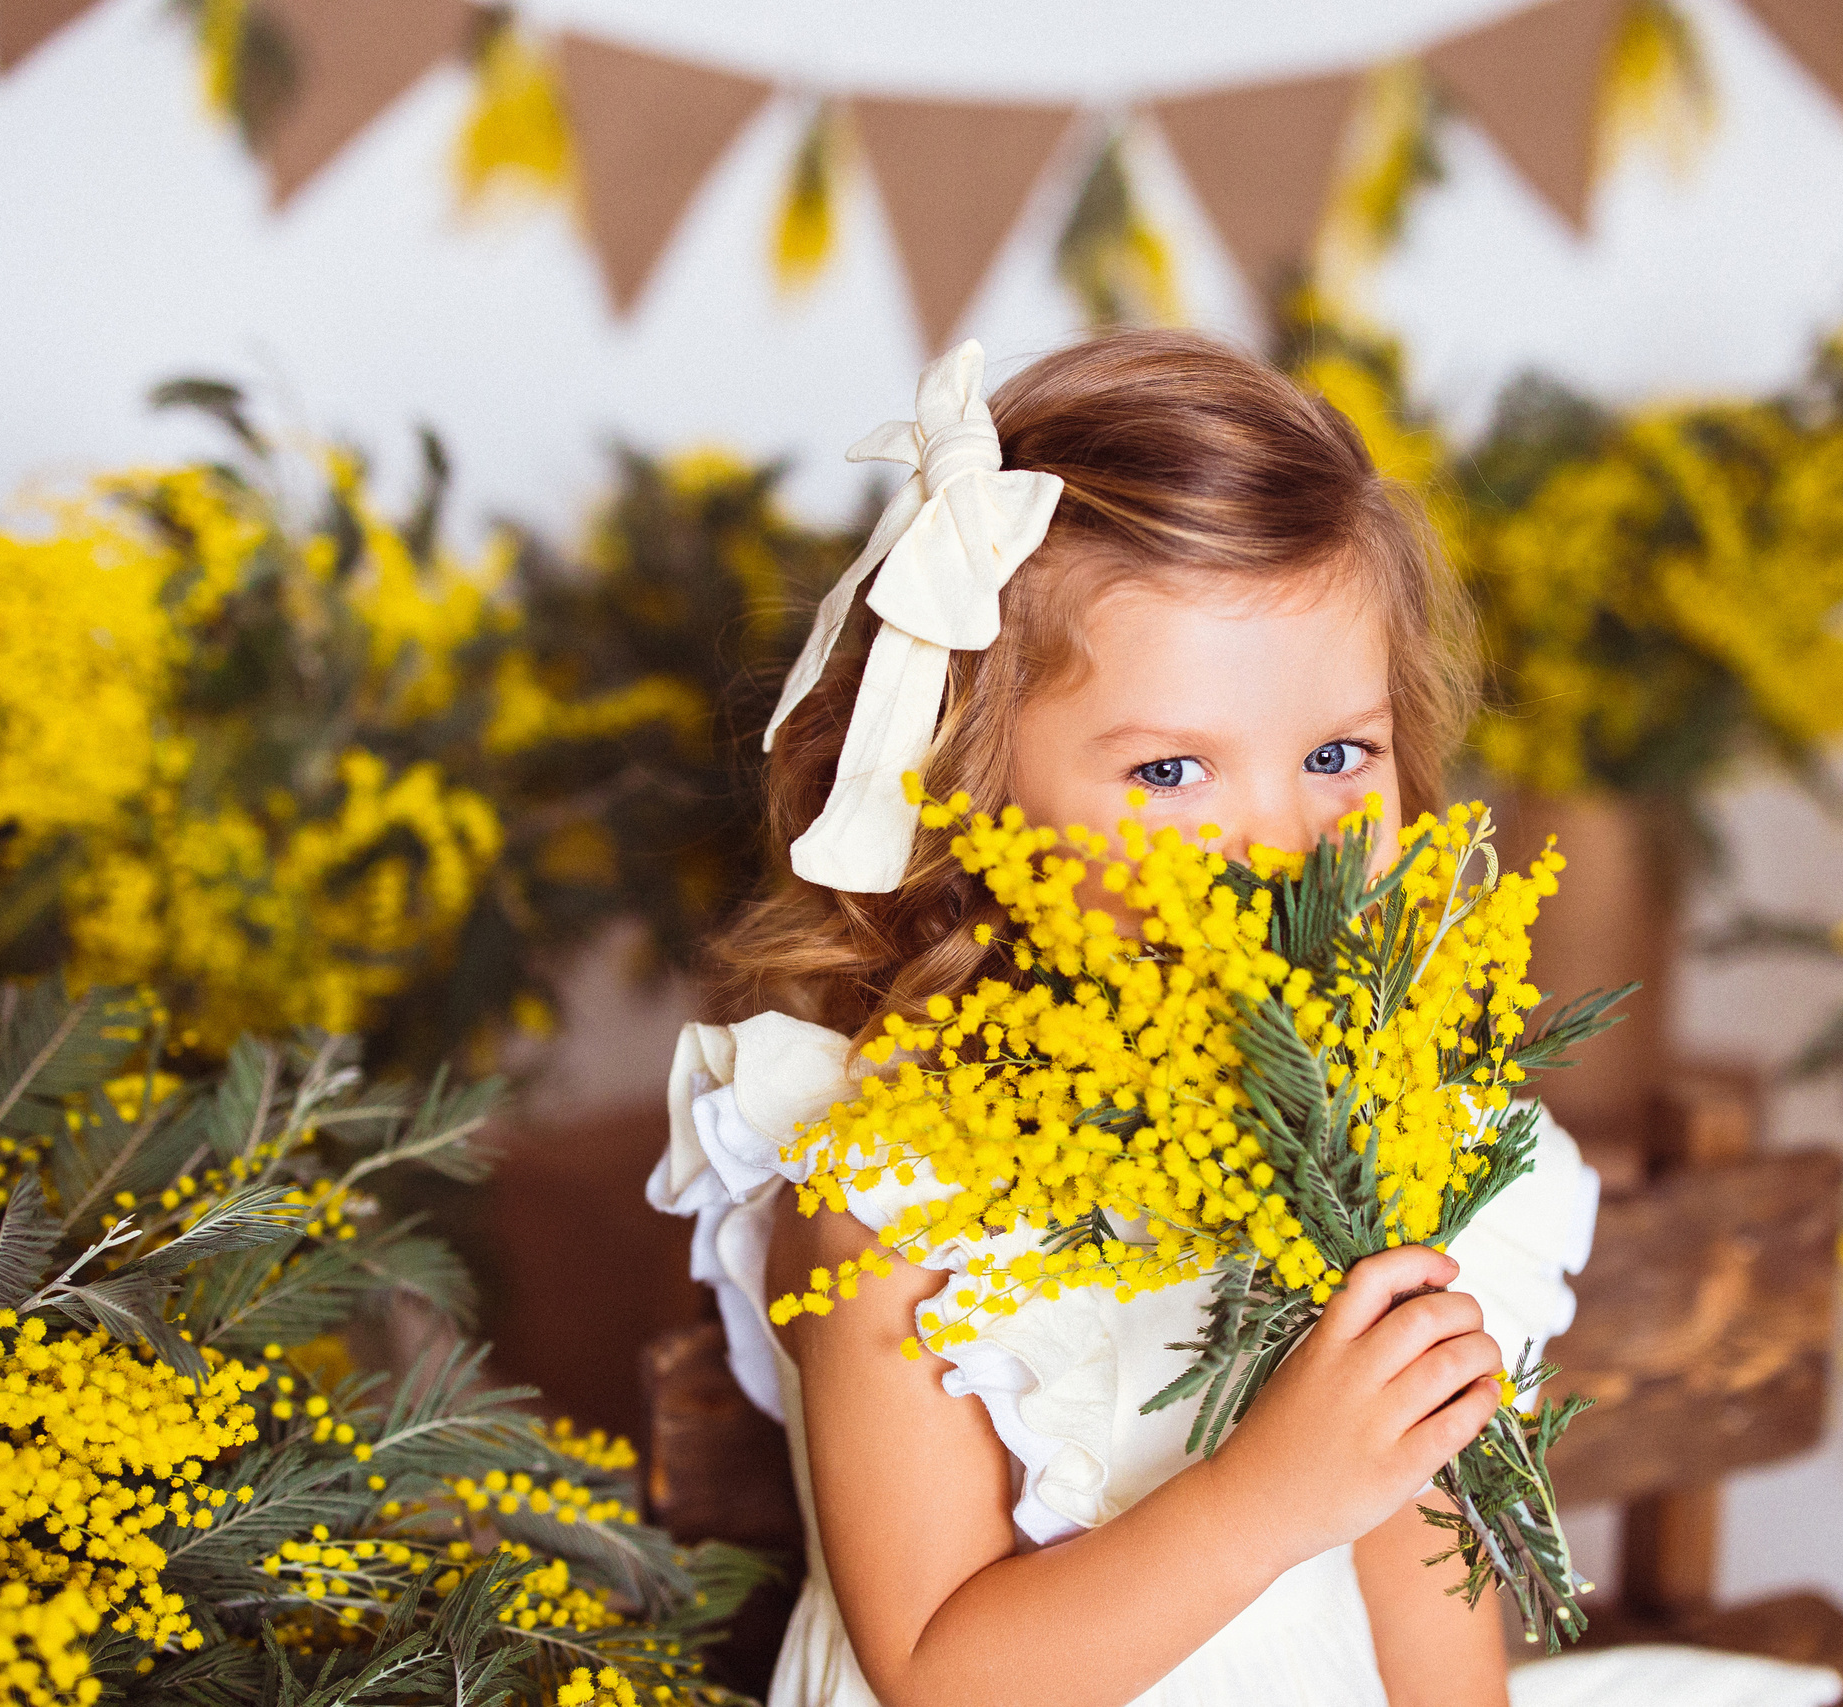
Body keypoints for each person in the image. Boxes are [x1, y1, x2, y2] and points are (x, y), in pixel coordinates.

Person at [649, 331, 1599, 1707]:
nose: (1279, 840)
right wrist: (1271, 1494)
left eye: (1339, 752)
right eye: (1170, 769)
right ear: (965, 790)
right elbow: (938, 1674)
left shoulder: (1374, 1120)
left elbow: (1422, 1548)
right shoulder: (896, 1189)